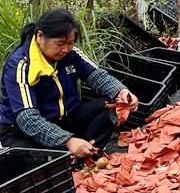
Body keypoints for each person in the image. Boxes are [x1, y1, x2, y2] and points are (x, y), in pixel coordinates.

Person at [0, 9, 138, 159]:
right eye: (60, 43)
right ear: (40, 36)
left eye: (71, 43)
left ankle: (89, 156)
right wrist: (67, 140)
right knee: (44, 164)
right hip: (23, 132)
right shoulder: (20, 65)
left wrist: (122, 92)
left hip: (65, 120)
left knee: (112, 104)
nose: (66, 49)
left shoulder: (71, 54)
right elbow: (28, 119)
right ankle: (69, 155)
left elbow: (98, 77)